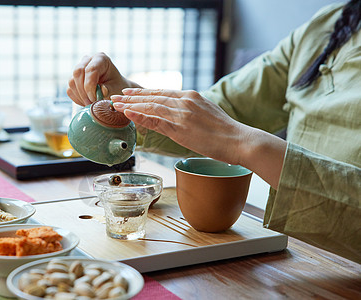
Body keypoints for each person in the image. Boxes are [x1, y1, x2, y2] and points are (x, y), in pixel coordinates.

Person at [67, 1, 361, 263]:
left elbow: (227, 129)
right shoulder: (330, 24)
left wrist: (248, 144)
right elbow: (225, 110)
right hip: (291, 252)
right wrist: (127, 97)